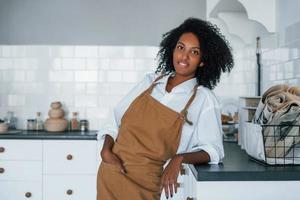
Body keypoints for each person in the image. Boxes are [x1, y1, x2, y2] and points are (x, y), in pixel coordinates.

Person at [97, 17, 234, 200]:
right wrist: (106, 151)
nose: (184, 57)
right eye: (180, 48)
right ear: (172, 50)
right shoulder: (150, 82)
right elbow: (114, 120)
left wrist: (179, 159)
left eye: (194, 52)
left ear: (202, 61)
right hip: (111, 174)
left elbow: (213, 150)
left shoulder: (204, 99)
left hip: (146, 185)